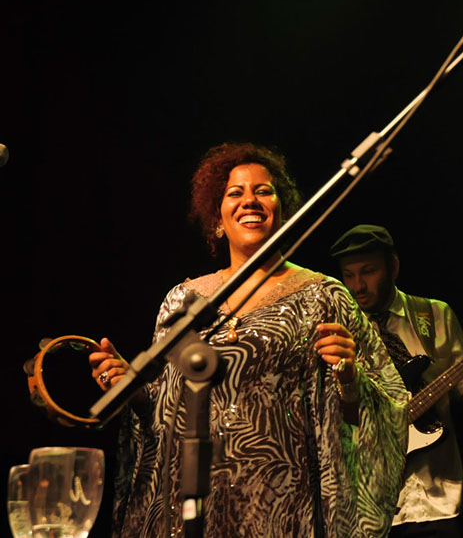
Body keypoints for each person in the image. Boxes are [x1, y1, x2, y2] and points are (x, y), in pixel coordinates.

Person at [88, 143, 409, 537]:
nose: (249, 201)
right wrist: (131, 388)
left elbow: (392, 404)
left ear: (282, 211)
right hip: (195, 507)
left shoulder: (324, 295)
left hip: (284, 508)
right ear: (217, 218)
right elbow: (164, 415)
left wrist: (350, 377)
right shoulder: (182, 302)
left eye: (263, 191)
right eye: (235, 193)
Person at [329, 224, 463, 538]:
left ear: (394, 267)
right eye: (348, 275)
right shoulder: (340, 331)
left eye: (368, 271)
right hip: (369, 507)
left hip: (437, 497)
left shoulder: (433, 315)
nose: (357, 285)